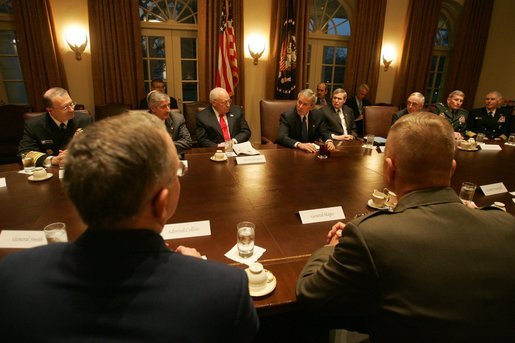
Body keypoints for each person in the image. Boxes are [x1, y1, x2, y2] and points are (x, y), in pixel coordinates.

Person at [0, 112, 259, 342]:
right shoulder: (223, 290)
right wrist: (196, 273)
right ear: (162, 201)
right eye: (177, 171)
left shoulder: (12, 275)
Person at [296, 112, 515, 341]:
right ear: (452, 169)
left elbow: (310, 294)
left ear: (389, 170)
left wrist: (331, 247)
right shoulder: (507, 225)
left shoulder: (370, 236)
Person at [18, 87, 92, 167]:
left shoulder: (85, 120)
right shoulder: (34, 125)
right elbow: (25, 152)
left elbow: (96, 146)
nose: (71, 110)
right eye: (65, 107)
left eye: (71, 104)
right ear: (49, 110)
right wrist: (53, 160)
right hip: (49, 171)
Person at [147, 90, 192, 154]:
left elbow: (187, 141)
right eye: (163, 106)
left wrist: (165, 145)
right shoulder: (142, 122)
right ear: (153, 108)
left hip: (172, 156)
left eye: (168, 105)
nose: (168, 110)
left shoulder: (177, 119)